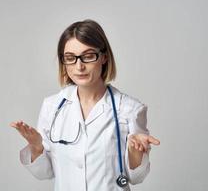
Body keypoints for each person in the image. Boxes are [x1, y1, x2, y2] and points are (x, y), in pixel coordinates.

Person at [10, 19, 160, 191]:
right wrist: (37, 147)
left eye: (88, 56)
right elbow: (45, 173)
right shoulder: (52, 107)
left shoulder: (129, 109)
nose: (79, 66)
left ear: (104, 57)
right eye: (70, 58)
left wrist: (136, 152)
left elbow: (136, 177)